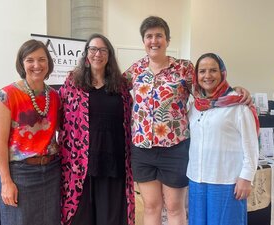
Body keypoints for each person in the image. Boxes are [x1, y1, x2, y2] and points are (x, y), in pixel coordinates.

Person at [123, 16, 252, 225]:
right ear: (143, 41)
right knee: (150, 207)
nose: (154, 40)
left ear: (167, 40)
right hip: (142, 149)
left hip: (175, 149)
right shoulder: (135, 70)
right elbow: (112, 88)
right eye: (149, 36)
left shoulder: (183, 68)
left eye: (159, 36)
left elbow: (208, 87)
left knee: (175, 208)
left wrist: (235, 91)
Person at [59, 33, 135, 225]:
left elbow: (131, 119)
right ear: (86, 54)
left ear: (109, 55)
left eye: (103, 50)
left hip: (113, 160)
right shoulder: (72, 83)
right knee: (81, 217)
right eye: (93, 49)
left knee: (111, 218)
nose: (97, 54)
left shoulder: (122, 85)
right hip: (80, 162)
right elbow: (59, 115)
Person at [186, 53, 259, 225]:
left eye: (213, 70)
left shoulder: (238, 105)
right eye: (202, 71)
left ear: (222, 73)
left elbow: (251, 144)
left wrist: (246, 177)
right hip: (197, 179)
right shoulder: (194, 104)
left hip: (227, 181)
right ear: (196, 76)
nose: (207, 76)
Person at [0, 39, 61, 225]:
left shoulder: (55, 96)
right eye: (30, 60)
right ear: (22, 64)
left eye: (42, 59)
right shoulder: (6, 95)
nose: (37, 65)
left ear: (48, 63)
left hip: (51, 171)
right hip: (20, 174)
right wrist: (6, 182)